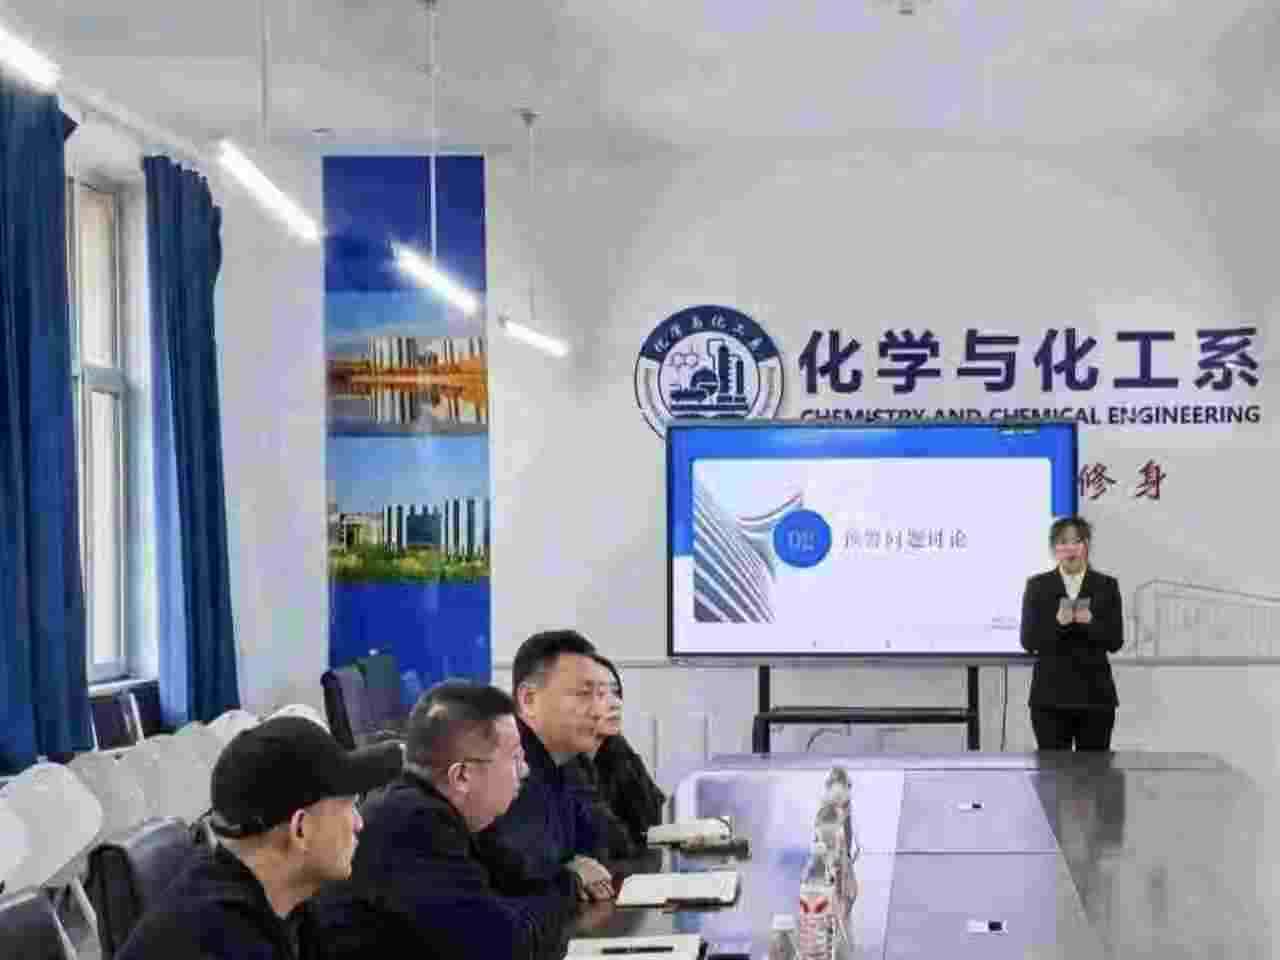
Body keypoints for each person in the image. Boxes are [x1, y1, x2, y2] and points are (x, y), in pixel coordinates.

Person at [116, 716, 402, 960]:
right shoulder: (220, 941)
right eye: (349, 806)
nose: (359, 823)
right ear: (300, 830)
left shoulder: (283, 905)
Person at [330, 680, 577, 960]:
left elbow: (519, 880)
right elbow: (506, 947)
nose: (525, 770)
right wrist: (567, 890)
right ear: (461, 776)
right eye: (514, 758)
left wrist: (564, 885)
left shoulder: (443, 811)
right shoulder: (413, 824)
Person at [477, 629, 614, 901]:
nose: (599, 711)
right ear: (529, 699)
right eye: (583, 694)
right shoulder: (504, 764)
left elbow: (600, 849)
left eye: (600, 696)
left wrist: (575, 867)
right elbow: (520, 876)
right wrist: (570, 874)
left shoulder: (564, 760)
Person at [1020, 516, 1123, 751]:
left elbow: (1115, 641)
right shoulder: (1038, 586)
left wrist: (1091, 622)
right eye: (1063, 542)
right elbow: (1028, 641)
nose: (1070, 548)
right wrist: (1057, 623)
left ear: (1086, 546)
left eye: (1077, 541)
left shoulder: (1106, 586)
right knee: (1052, 771)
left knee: (1096, 771)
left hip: (1096, 699)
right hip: (1050, 699)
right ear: (1054, 548)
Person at [564, 656, 665, 858]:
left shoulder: (618, 749)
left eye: (616, 692)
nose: (615, 703)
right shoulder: (563, 760)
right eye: (601, 694)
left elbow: (651, 824)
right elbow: (606, 842)